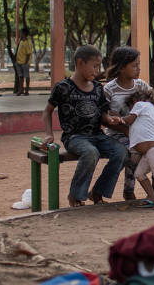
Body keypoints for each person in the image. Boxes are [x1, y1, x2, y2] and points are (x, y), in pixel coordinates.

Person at [42, 45, 127, 207]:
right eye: (94, 66)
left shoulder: (97, 88)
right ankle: (75, 195)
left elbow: (103, 114)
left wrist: (109, 120)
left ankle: (97, 192)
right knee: (90, 152)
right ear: (80, 63)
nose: (97, 70)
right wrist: (48, 134)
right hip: (74, 137)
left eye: (99, 66)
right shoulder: (63, 87)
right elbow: (47, 112)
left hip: (97, 135)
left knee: (121, 152)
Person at [103, 46, 153, 201]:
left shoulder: (141, 86)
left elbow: (151, 111)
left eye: (139, 65)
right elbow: (107, 119)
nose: (138, 69)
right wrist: (128, 132)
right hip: (117, 134)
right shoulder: (109, 89)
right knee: (133, 151)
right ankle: (128, 190)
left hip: (140, 134)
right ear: (121, 67)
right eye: (134, 65)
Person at [112, 89, 154, 209]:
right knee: (139, 174)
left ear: (135, 101)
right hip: (149, 152)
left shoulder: (140, 104)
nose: (131, 110)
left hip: (153, 150)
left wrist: (119, 119)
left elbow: (129, 119)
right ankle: (152, 197)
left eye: (131, 107)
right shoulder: (151, 111)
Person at [15, 28, 32, 96]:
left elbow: (28, 53)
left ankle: (27, 90)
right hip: (19, 62)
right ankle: (21, 90)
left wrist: (26, 62)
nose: (20, 34)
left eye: (21, 33)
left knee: (26, 76)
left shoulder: (28, 42)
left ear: (24, 33)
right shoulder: (21, 41)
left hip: (24, 63)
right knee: (20, 76)